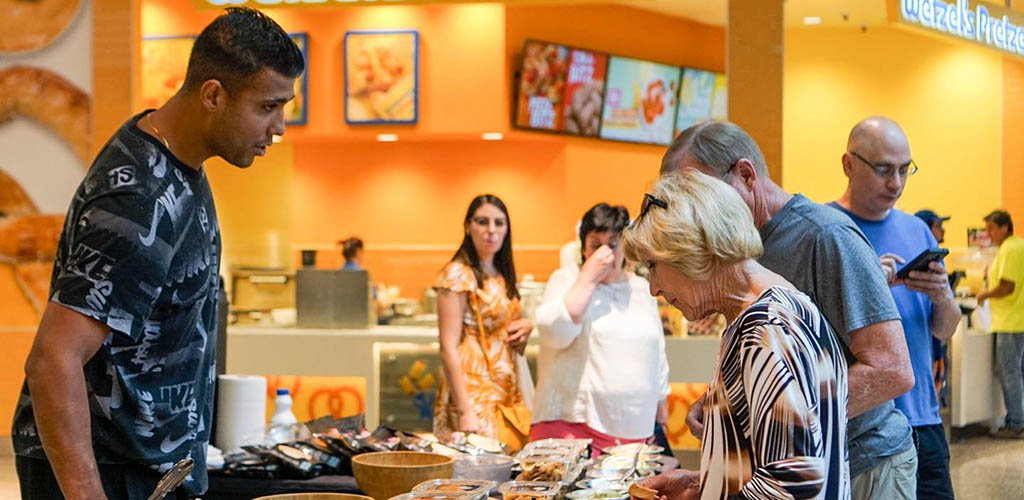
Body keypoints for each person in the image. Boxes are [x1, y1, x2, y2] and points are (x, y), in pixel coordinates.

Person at [11, 7, 303, 500]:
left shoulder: (181, 164)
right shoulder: (138, 197)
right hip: (108, 471)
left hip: (150, 465)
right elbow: (53, 359)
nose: (278, 127)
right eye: (267, 107)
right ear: (214, 95)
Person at [660, 121, 915, 500]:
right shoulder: (741, 248)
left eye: (702, 196)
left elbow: (891, 370)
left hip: (866, 467)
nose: (694, 214)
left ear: (745, 175)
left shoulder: (826, 237)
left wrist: (773, 423)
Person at [626, 169, 849, 500]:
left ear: (692, 249)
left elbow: (793, 486)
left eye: (653, 266)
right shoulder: (786, 306)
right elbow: (775, 464)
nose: (654, 288)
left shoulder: (765, 330)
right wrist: (700, 484)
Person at [829, 117, 960, 499]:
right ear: (848, 164)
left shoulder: (918, 229)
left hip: (924, 419)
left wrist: (942, 297)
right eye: (884, 170)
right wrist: (871, 283)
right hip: (863, 429)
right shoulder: (825, 230)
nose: (896, 183)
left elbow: (944, 329)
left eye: (905, 170)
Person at [532, 203, 669, 452]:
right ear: (583, 248)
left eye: (614, 244)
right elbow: (554, 333)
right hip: (571, 426)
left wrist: (661, 403)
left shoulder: (641, 288)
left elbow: (656, 351)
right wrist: (588, 278)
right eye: (596, 245)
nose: (605, 254)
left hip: (634, 428)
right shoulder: (566, 279)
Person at [433, 194, 534, 450]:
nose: (491, 230)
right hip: (473, 388)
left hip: (505, 388)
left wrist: (525, 327)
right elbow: (448, 347)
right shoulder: (457, 274)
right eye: (482, 221)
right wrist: (465, 408)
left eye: (499, 223)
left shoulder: (501, 273)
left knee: (507, 461)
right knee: (475, 471)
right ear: (468, 226)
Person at [977, 210, 1024, 438]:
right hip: (1016, 319)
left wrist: (984, 295)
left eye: (991, 228)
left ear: (1005, 227)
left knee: (1009, 372)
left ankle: (1016, 422)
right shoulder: (1016, 246)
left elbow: (1008, 286)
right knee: (1015, 371)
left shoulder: (1010, 249)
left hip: (1010, 321)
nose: (988, 233)